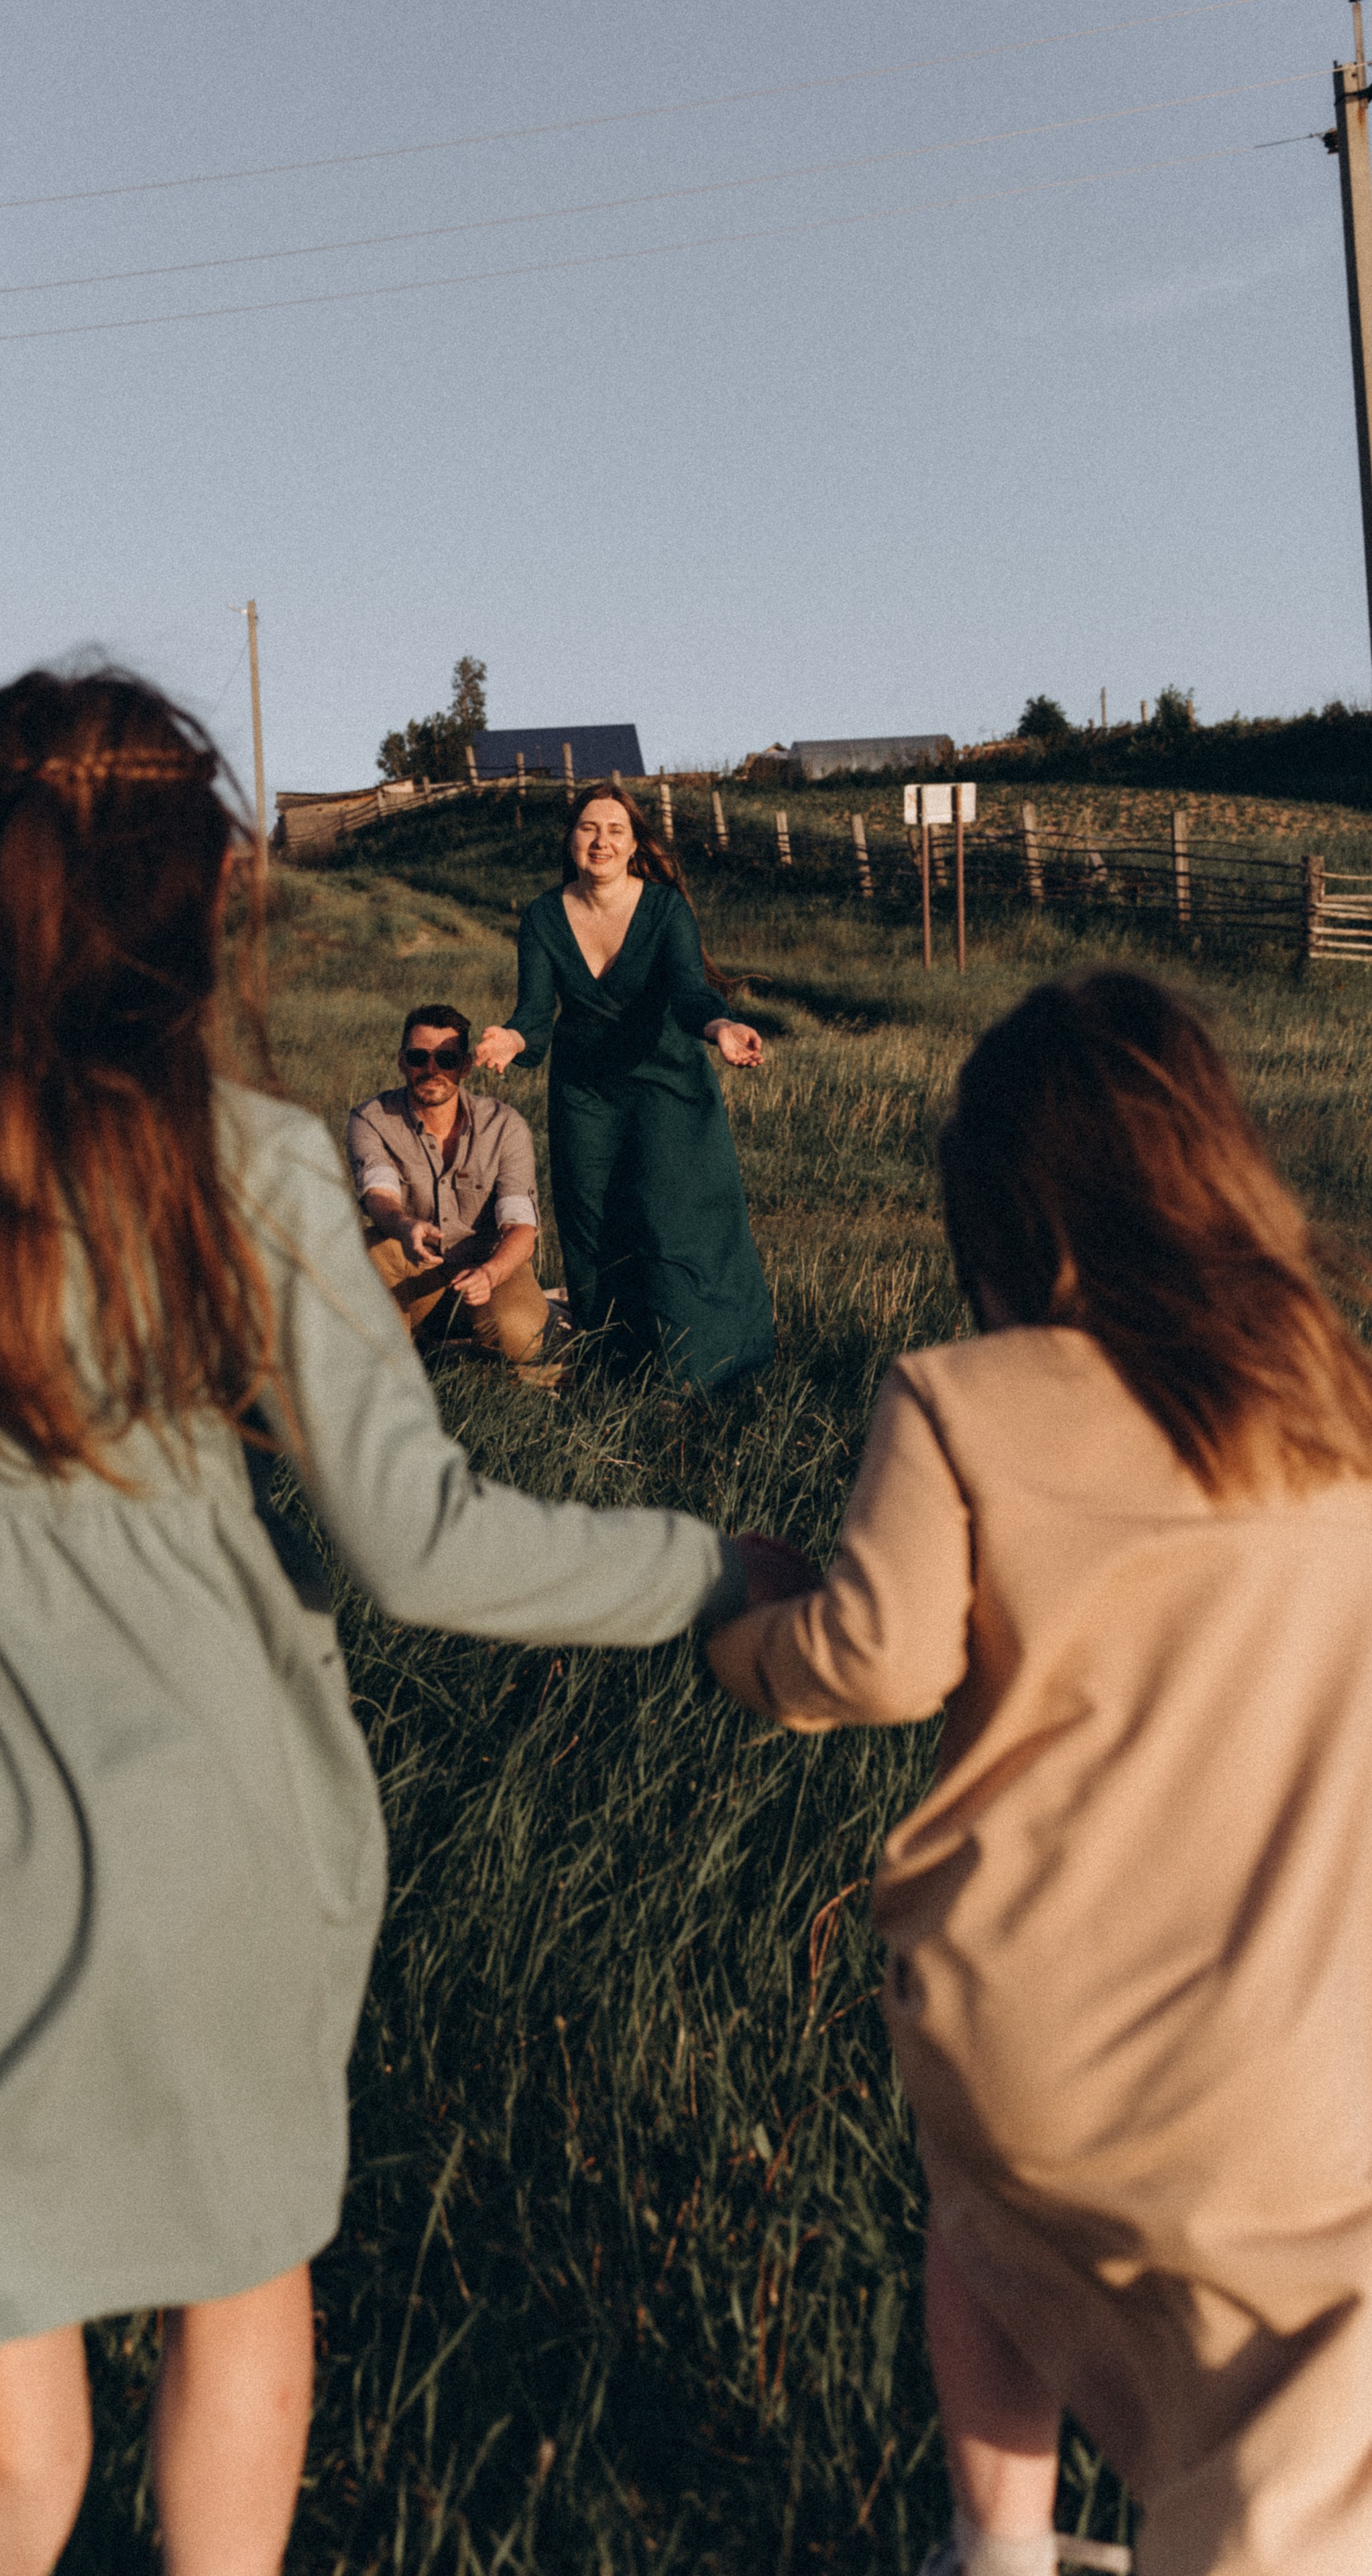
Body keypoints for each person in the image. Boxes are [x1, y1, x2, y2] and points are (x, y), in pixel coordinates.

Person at [0, 669, 795, 2576]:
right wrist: (703, 1568)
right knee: (240, 2306)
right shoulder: (256, 1161)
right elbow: (422, 1545)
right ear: (210, 906)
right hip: (208, 1842)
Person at [707, 972, 1372, 2576]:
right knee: (1297, 2356)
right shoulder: (1333, 1405)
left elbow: (869, 1663)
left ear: (1006, 1211)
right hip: (1294, 2034)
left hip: (1025, 2026)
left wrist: (743, 1611)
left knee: (984, 2228)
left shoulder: (959, 1397)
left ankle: (997, 2541)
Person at [474, 782, 774, 1392]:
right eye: (588, 827)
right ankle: (617, 1371)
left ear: (635, 843)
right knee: (596, 1228)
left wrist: (720, 1026)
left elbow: (690, 992)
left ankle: (705, 1371)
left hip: (666, 1085)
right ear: (571, 838)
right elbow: (534, 1013)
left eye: (615, 829)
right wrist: (510, 1038)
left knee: (674, 1222)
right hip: (585, 1096)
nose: (601, 840)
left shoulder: (665, 910)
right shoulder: (542, 915)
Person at [345, 1003, 557, 1385]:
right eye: (418, 1057)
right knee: (370, 1250)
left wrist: (491, 1273)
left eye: (446, 1059)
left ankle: (447, 1350)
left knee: (522, 1340)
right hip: (410, 1265)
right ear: (401, 1062)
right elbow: (379, 1194)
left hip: (484, 1269)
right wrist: (405, 1225)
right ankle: (395, 1361)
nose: (432, 1070)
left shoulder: (505, 1126)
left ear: (464, 1067)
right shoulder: (371, 1119)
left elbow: (522, 1227)